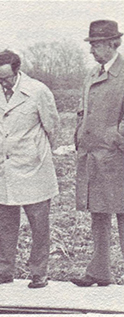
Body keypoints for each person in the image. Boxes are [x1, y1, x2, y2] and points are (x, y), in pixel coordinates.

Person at [0, 50, 60, 289]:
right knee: (5, 222)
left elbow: (52, 127)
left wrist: (38, 152)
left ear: (18, 71)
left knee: (39, 223)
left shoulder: (38, 91)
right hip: (4, 166)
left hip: (33, 167)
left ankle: (39, 272)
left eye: (7, 77)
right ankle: (4, 271)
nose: (3, 83)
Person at [71, 20, 124, 287]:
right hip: (93, 159)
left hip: (118, 159)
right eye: (91, 44)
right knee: (98, 216)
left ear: (115, 43)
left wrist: (116, 138)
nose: (92, 50)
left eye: (98, 44)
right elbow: (83, 111)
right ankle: (99, 272)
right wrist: (79, 135)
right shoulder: (91, 74)